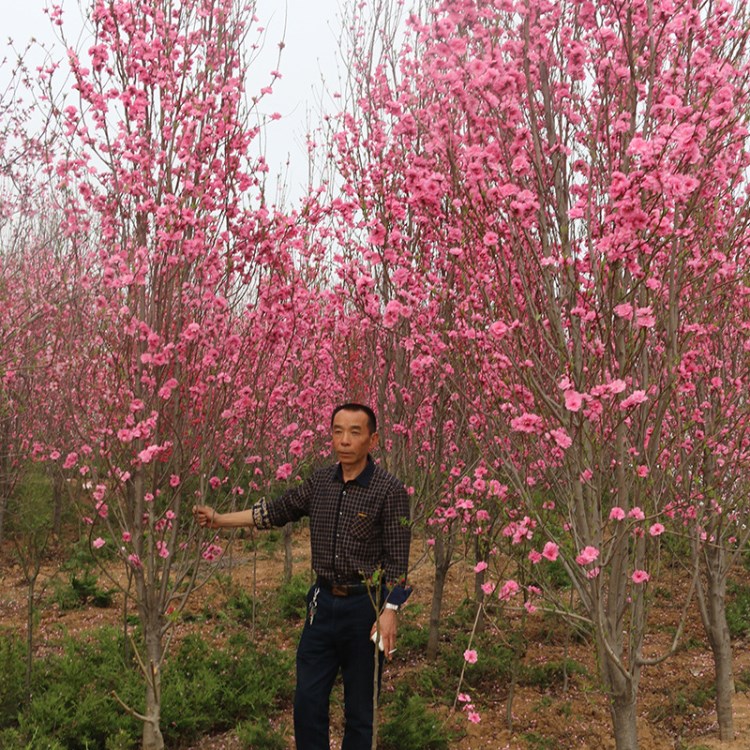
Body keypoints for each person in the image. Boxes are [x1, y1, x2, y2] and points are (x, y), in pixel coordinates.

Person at [193, 402, 411, 750]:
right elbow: (277, 511)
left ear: (373, 439)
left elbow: (399, 563)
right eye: (338, 431)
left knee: (360, 710)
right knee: (307, 701)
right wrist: (220, 519)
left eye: (355, 432)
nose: (344, 440)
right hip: (321, 606)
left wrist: (390, 612)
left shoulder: (389, 490)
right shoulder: (321, 482)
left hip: (364, 609)